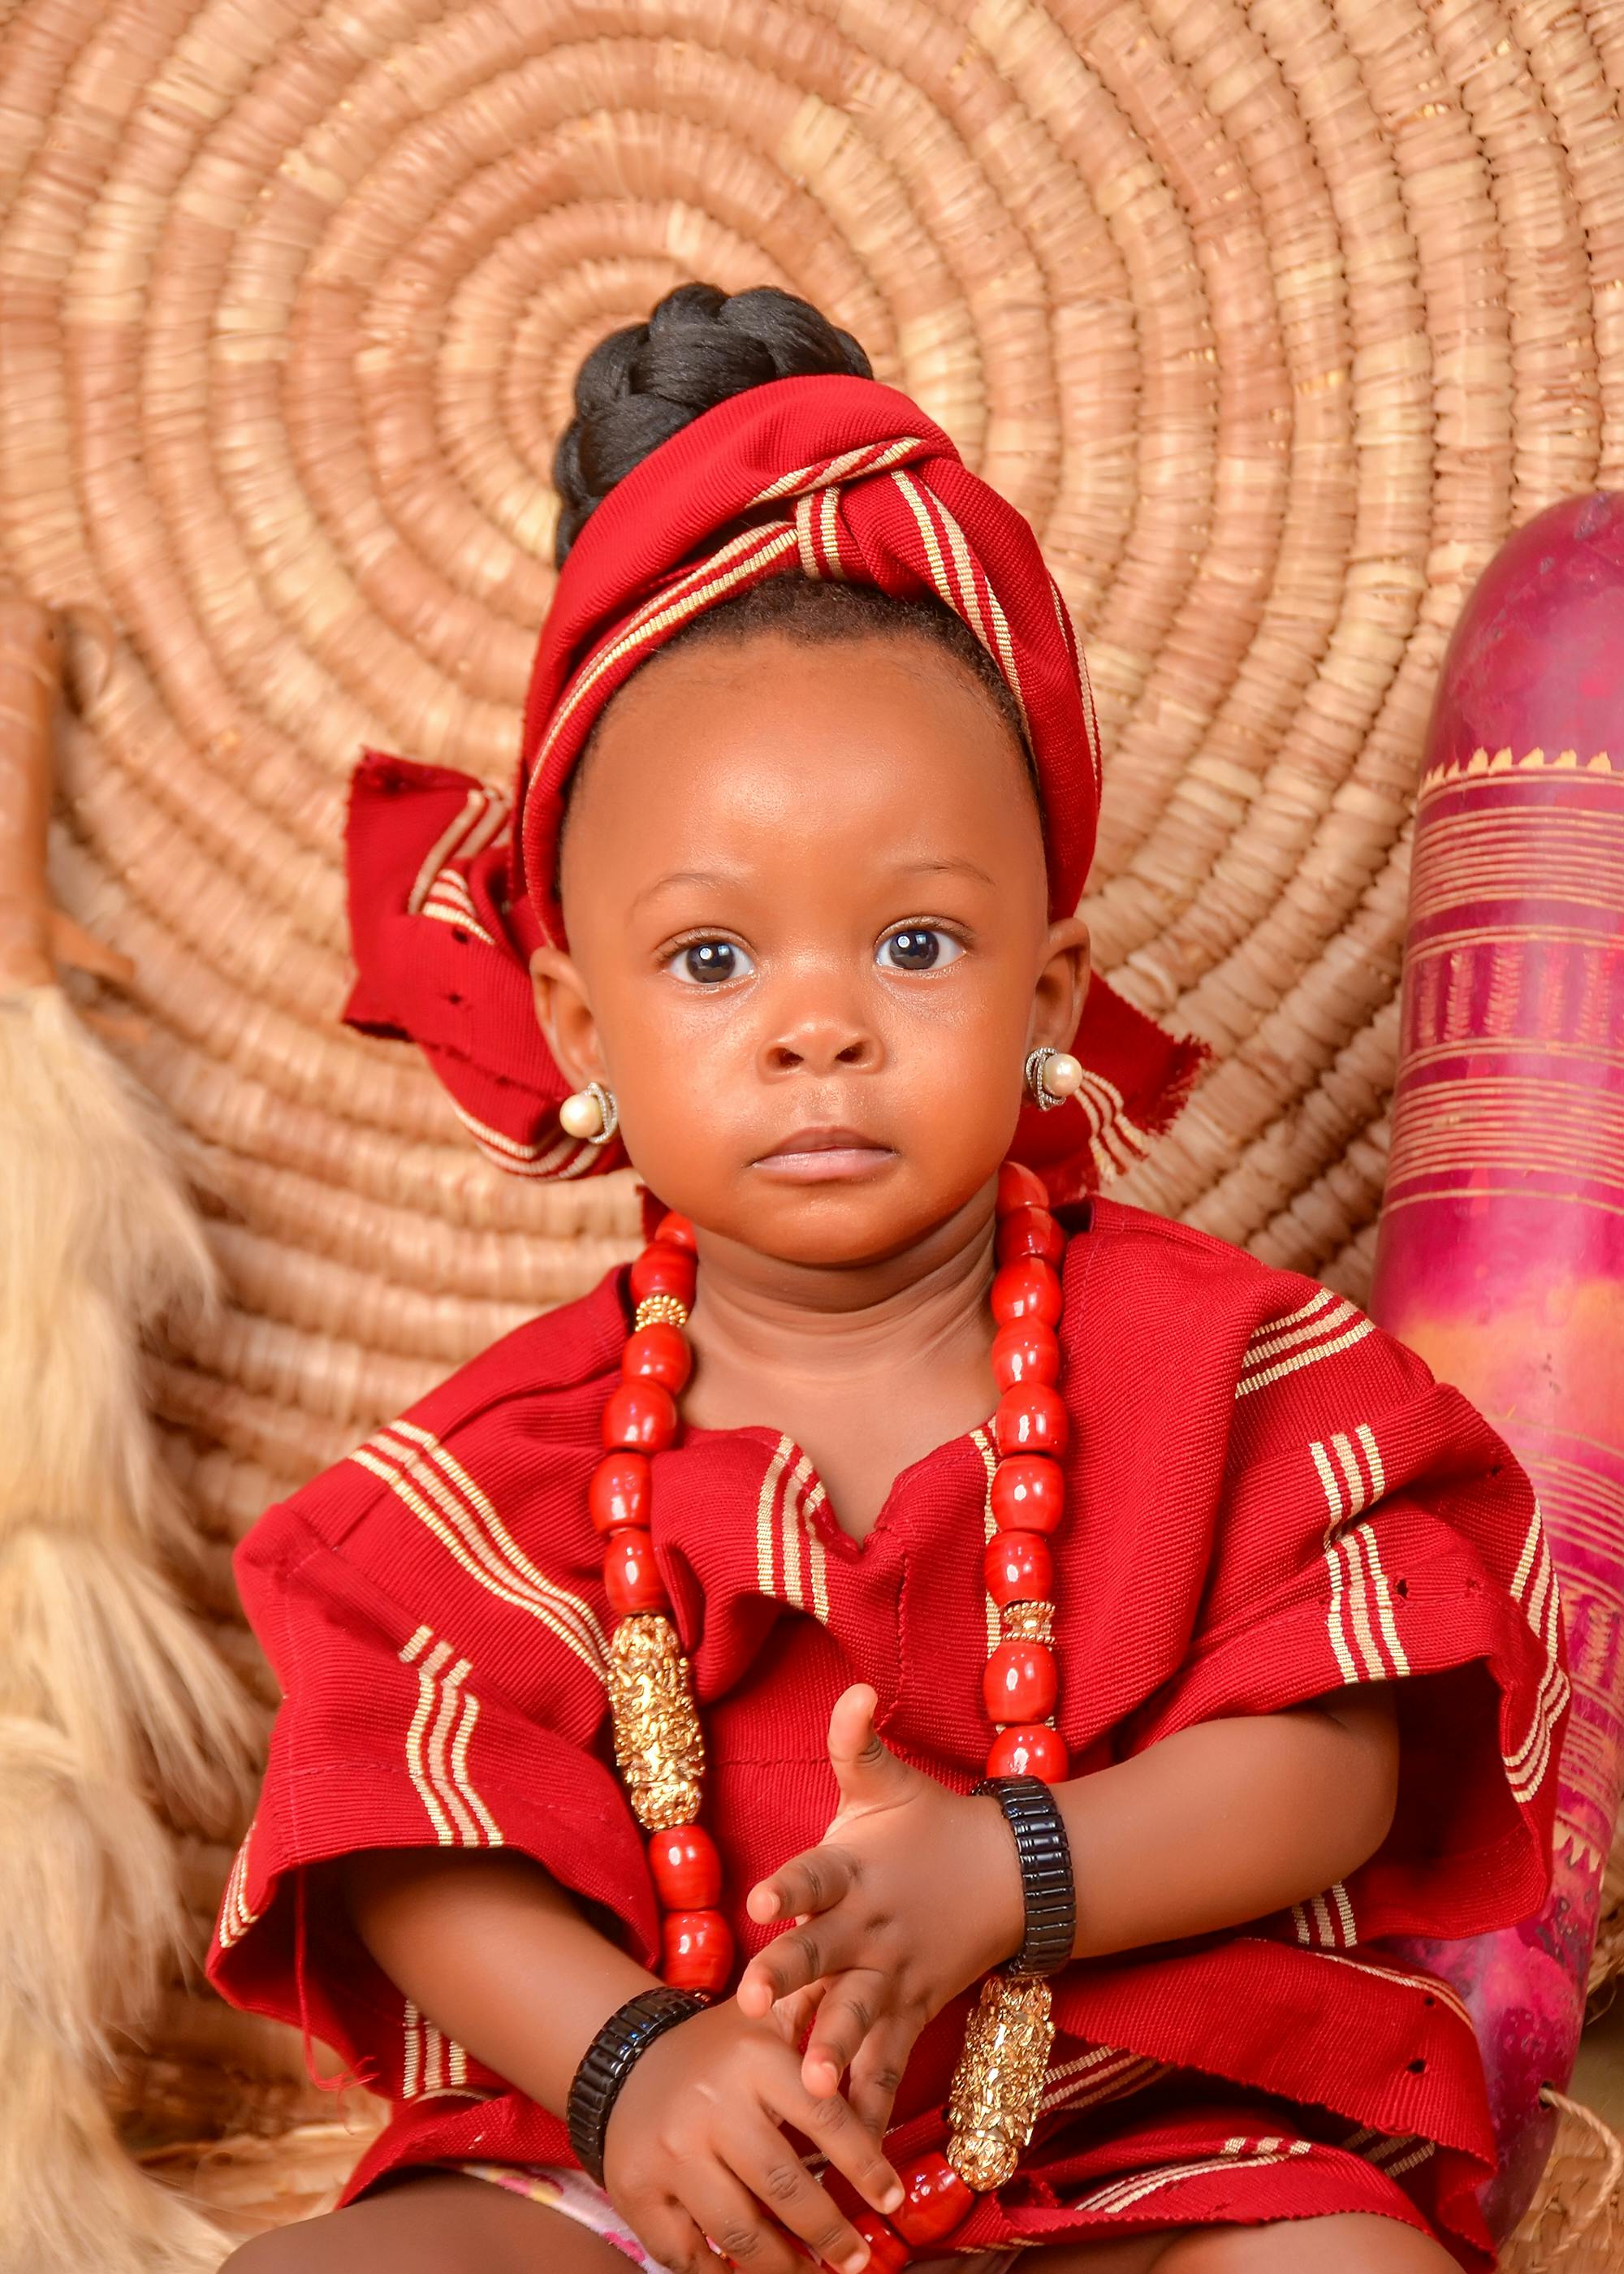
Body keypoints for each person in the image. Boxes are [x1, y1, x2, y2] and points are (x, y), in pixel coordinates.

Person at [209, 285, 1566, 2274]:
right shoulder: (504, 1469)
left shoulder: (1225, 1370)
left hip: (1124, 2140)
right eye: (711, 961)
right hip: (664, 2177)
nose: (817, 1029)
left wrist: (1003, 1869)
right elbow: (407, 1834)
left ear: (1053, 987)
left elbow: (1332, 1763)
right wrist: (626, 2069)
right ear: (574, 1015)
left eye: (915, 949)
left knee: (1341, 2264)